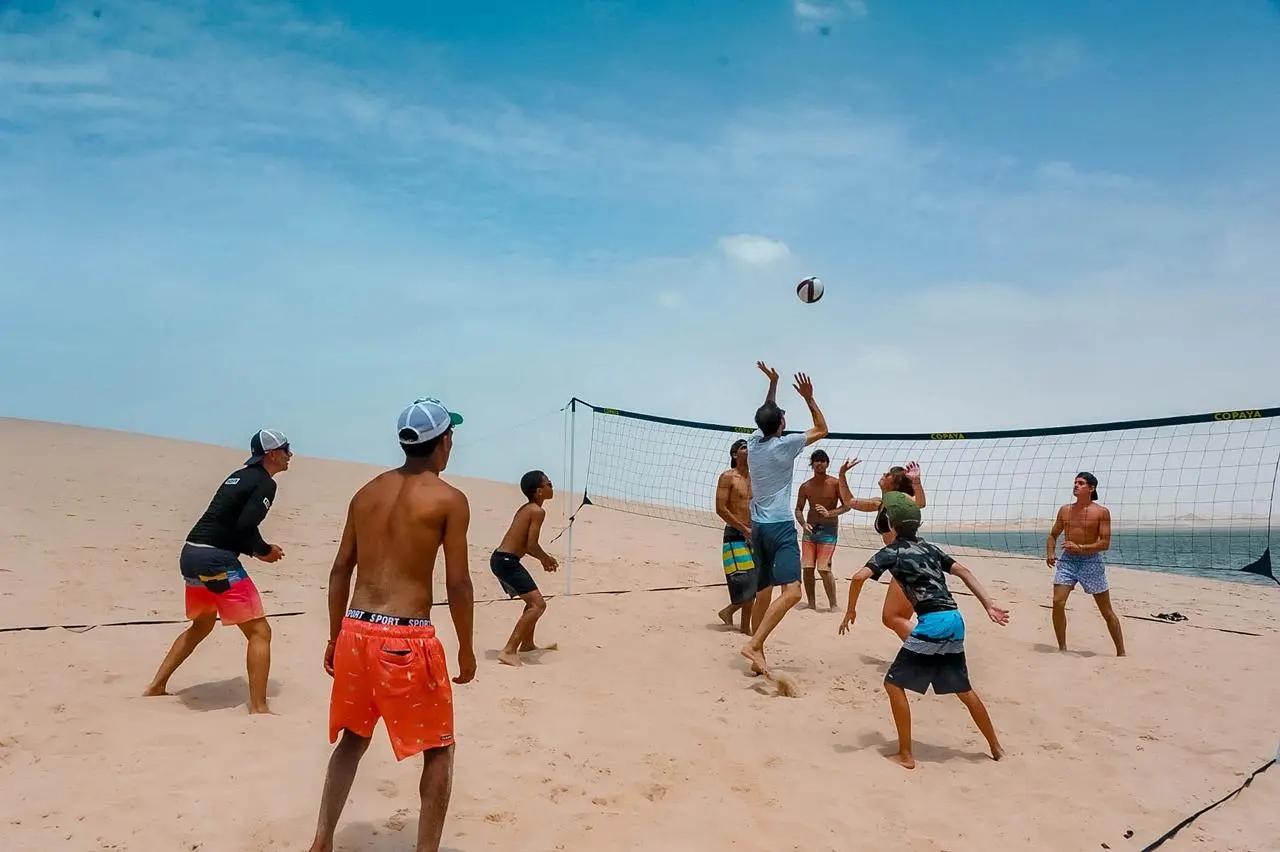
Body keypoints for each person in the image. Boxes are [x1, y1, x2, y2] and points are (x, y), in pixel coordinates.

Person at [309, 398, 476, 852]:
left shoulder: (366, 493)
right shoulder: (449, 499)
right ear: (443, 441)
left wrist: (334, 635)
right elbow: (458, 583)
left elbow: (340, 570)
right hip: (405, 637)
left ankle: (322, 841)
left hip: (355, 629)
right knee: (438, 748)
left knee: (353, 739)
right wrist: (466, 647)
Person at [839, 492, 1008, 770]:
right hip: (954, 619)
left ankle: (906, 755)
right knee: (963, 689)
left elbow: (858, 577)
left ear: (889, 524)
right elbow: (964, 571)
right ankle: (996, 747)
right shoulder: (930, 548)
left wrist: (850, 610)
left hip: (932, 623)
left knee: (893, 684)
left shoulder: (892, 551)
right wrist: (988, 604)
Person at [143, 429, 291, 714]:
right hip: (215, 561)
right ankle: (259, 708)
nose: (290, 455)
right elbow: (245, 526)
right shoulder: (264, 483)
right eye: (286, 449)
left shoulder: (239, 476)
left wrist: (254, 550)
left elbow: (229, 523)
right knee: (260, 632)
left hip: (191, 554)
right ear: (272, 454)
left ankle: (156, 686)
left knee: (201, 626)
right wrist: (263, 551)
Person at [739, 361, 828, 677]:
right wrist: (809, 398)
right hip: (779, 527)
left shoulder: (753, 442)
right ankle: (754, 645)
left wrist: (773, 383)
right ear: (781, 424)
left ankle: (757, 655)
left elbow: (766, 413)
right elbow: (822, 429)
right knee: (792, 593)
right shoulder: (784, 445)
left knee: (764, 592)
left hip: (758, 528)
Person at [820, 460, 926, 640]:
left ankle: (925, 649)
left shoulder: (901, 499)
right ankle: (922, 650)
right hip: (901, 559)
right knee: (898, 618)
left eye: (888, 474)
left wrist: (916, 482)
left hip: (909, 559)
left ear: (895, 483)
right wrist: (842, 475)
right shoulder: (880, 503)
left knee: (892, 618)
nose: (884, 474)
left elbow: (920, 503)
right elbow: (849, 501)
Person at [1047, 471, 1125, 656]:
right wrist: (1050, 553)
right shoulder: (1065, 510)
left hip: (1091, 560)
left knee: (1106, 610)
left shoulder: (1101, 512)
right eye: (1075, 482)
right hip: (1068, 560)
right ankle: (1062, 648)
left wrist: (1080, 547)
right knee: (1057, 602)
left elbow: (1105, 543)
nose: (1076, 485)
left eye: (1081, 483)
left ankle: (1121, 653)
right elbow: (1053, 535)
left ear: (1091, 488)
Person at [490, 470, 559, 667]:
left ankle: (527, 644)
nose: (552, 485)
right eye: (548, 483)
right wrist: (545, 559)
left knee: (532, 602)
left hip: (502, 559)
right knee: (538, 605)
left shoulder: (527, 508)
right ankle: (509, 650)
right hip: (506, 562)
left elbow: (525, 544)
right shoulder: (537, 511)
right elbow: (531, 545)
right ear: (539, 491)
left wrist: (543, 559)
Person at [715, 438, 756, 634]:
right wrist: (744, 529)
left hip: (755, 533)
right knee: (745, 583)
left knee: (756, 583)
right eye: (743, 447)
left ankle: (729, 613)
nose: (748, 449)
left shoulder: (756, 478)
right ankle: (745, 629)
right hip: (735, 534)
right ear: (734, 454)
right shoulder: (727, 477)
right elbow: (720, 509)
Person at [794, 449, 844, 610]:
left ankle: (833, 604)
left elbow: (847, 506)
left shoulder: (835, 483)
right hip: (810, 530)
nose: (819, 463)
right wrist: (803, 524)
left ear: (827, 463)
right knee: (808, 568)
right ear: (812, 464)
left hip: (829, 530)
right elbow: (798, 509)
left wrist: (830, 513)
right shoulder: (806, 486)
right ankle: (811, 603)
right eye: (816, 460)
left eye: (822, 460)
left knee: (824, 568)